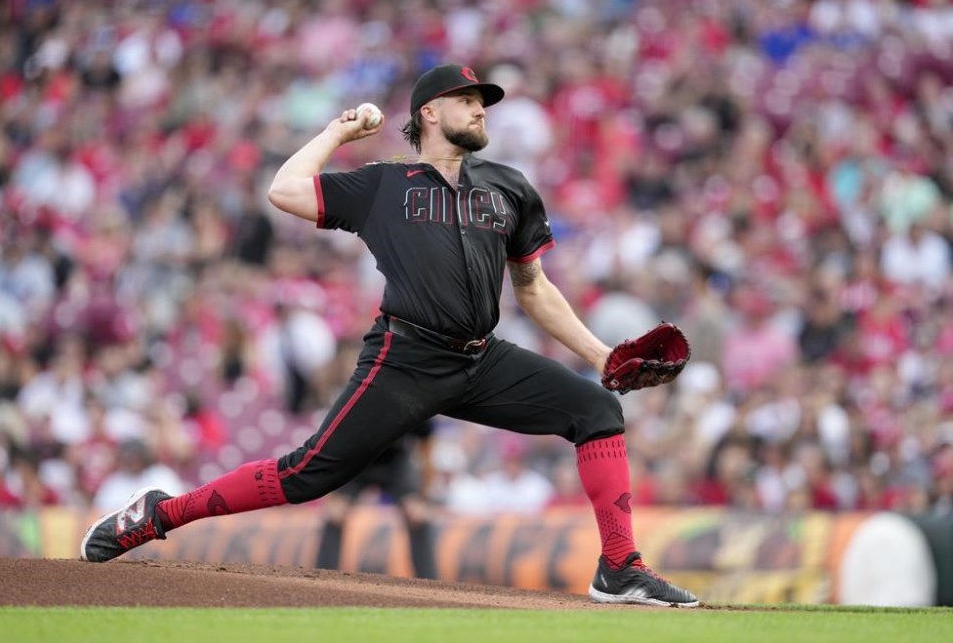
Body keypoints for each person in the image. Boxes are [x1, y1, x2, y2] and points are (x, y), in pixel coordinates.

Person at [79, 63, 699, 607]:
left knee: (596, 407)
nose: (480, 107)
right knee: (305, 476)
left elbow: (533, 288)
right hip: (405, 357)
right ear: (430, 112)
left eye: (482, 100)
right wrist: (338, 133)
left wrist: (600, 355)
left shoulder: (509, 187)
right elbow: (283, 190)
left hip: (482, 360)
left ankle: (620, 569)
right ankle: (158, 513)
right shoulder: (384, 184)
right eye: (467, 99)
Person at [315, 419, 437, 579]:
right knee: (334, 515)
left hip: (395, 462)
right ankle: (322, 579)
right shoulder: (356, 399)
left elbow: (426, 449)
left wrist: (423, 495)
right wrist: (330, 490)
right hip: (356, 459)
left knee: (418, 516)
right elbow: (333, 442)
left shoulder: (415, 402)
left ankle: (429, 581)